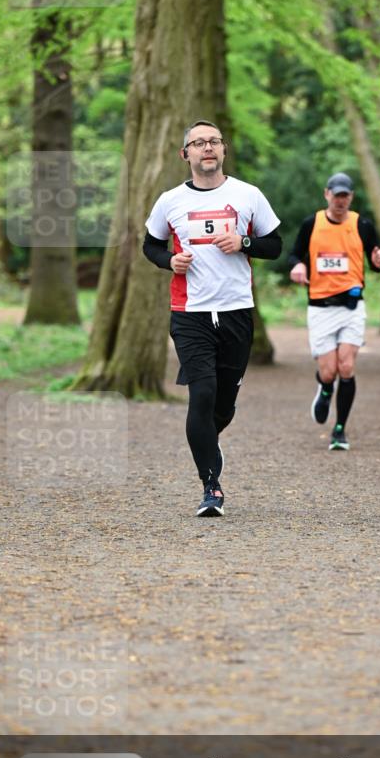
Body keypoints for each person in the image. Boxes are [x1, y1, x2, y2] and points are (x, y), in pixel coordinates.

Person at [143, 119, 281, 517]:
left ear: (223, 151)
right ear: (185, 153)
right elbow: (150, 245)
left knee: (224, 406)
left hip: (237, 310)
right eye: (199, 143)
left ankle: (207, 440)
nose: (207, 148)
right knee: (201, 395)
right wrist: (170, 260)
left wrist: (244, 242)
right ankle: (211, 487)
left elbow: (274, 244)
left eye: (214, 142)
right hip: (190, 313)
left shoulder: (248, 195)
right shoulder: (170, 201)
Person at [289, 172, 380, 450]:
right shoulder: (312, 224)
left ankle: (340, 430)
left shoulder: (362, 225)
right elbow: (294, 254)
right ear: (327, 194)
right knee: (329, 371)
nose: (340, 200)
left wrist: (379, 260)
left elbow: (375, 259)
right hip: (320, 307)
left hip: (352, 306)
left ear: (351, 197)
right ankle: (324, 387)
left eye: (345, 196)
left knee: (346, 365)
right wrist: (297, 266)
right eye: (336, 195)